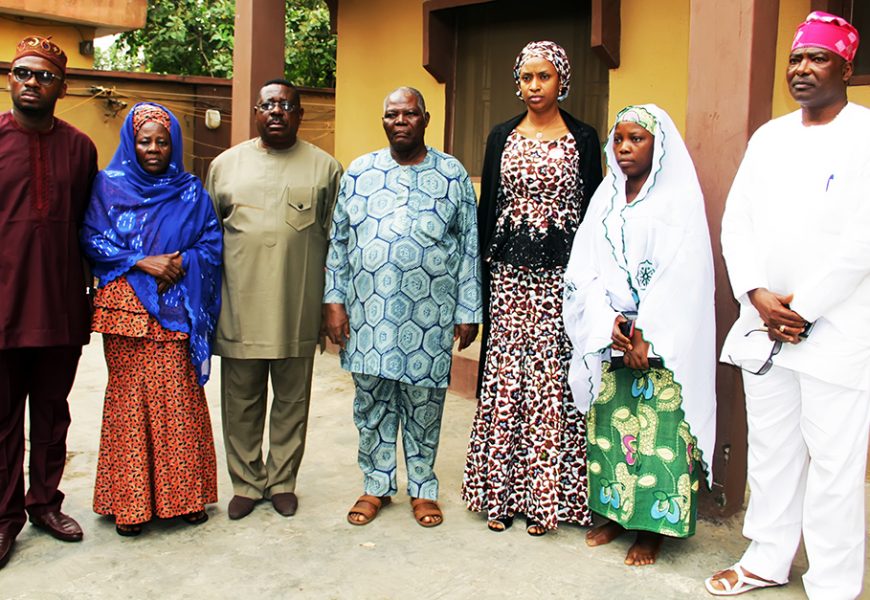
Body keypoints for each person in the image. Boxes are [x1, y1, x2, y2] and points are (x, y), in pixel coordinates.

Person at [706, 12, 868, 599]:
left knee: (835, 465)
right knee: (773, 452)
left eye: (818, 58)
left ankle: (833, 584)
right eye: (796, 58)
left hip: (837, 330)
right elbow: (737, 220)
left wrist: (806, 307)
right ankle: (768, 559)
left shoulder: (865, 135)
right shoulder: (770, 137)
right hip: (763, 324)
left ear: (846, 67)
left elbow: (862, 239)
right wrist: (755, 292)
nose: (802, 69)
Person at [563, 104, 716, 566]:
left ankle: (653, 529)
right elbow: (581, 267)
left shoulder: (679, 200)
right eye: (620, 139)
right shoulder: (605, 197)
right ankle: (614, 513)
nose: (625, 147)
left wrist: (647, 335)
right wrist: (609, 322)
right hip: (611, 335)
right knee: (611, 431)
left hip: (658, 342)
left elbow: (686, 275)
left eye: (638, 139)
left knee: (659, 439)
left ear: (659, 145)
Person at [323, 86, 481, 528]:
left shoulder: (452, 174)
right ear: (384, 121)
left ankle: (423, 488)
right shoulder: (358, 172)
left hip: (430, 314)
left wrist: (469, 308)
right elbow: (337, 241)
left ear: (425, 119)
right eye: (392, 114)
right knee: (371, 402)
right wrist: (333, 301)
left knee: (424, 403)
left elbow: (469, 246)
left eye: (409, 114)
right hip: (368, 313)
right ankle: (375, 485)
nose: (400, 121)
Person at [462, 40, 603, 535]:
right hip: (508, 278)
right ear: (517, 82)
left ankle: (546, 500)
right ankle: (498, 495)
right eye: (527, 78)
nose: (534, 87)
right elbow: (488, 210)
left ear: (561, 80)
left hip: (560, 278)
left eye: (544, 77)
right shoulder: (501, 135)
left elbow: (593, 212)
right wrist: (478, 284)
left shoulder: (584, 138)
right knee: (505, 377)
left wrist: (591, 282)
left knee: (551, 380)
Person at [81, 103, 222, 537]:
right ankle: (132, 503)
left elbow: (212, 239)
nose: (154, 148)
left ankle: (185, 496)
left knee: (177, 400)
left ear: (174, 143)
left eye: (163, 140)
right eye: (145, 140)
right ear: (131, 142)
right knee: (129, 403)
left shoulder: (191, 191)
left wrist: (181, 263)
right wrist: (143, 261)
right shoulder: (108, 186)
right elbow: (91, 237)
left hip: (176, 303)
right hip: (125, 307)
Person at [206, 79, 342, 520]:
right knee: (241, 401)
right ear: (255, 112)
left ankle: (282, 481)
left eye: (286, 105)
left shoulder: (325, 168)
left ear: (301, 114)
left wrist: (331, 305)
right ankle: (247, 482)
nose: (277, 112)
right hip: (238, 309)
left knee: (292, 400)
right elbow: (207, 240)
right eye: (268, 105)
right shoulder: (225, 166)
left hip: (296, 308)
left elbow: (338, 244)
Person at [0, 35, 98, 568]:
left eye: (43, 76)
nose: (31, 83)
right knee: (2, 419)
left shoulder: (81, 147)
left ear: (62, 85)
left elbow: (89, 225)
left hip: (60, 304)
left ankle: (44, 504)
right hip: (3, 307)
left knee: (52, 415)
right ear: (10, 79)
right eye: (21, 73)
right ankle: (3, 517)